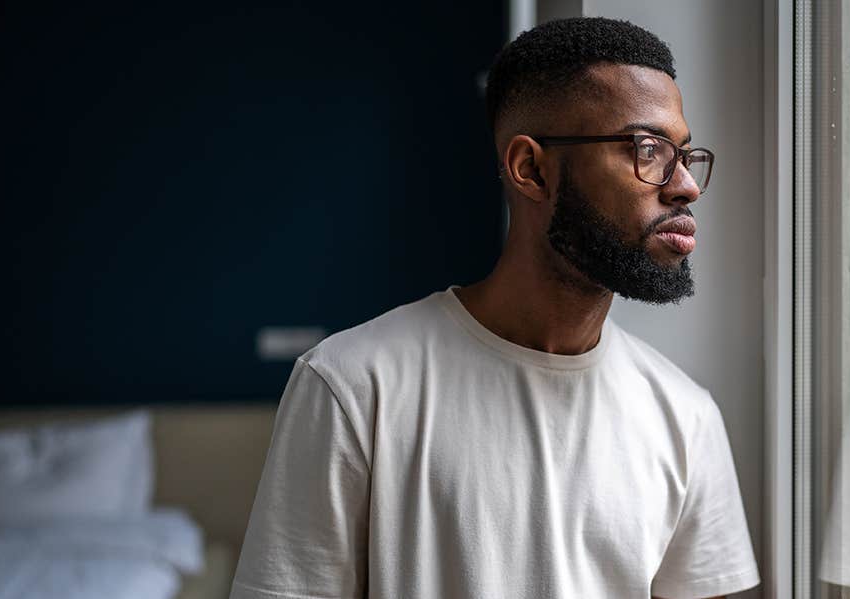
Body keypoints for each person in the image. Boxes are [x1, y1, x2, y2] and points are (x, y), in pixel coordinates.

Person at [230, 17, 759, 599]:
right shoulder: (353, 385)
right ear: (530, 169)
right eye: (648, 149)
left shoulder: (686, 416)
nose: (685, 185)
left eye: (685, 154)